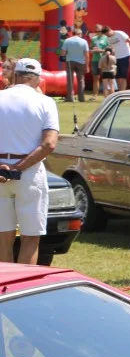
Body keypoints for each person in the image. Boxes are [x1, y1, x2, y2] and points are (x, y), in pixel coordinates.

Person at [0, 59, 59, 264]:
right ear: (37, 79)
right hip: (30, 174)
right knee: (30, 238)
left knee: (3, 240)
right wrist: (18, 168)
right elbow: (49, 144)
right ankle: (22, 291)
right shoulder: (45, 102)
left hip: (1, 172)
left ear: (15, 75)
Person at [105, 26, 130, 91]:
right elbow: (112, 48)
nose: (107, 36)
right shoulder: (108, 38)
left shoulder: (120, 33)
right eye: (106, 35)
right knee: (117, 77)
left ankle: (123, 92)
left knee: (123, 77)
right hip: (116, 58)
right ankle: (120, 92)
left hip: (124, 56)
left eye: (107, 34)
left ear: (110, 30)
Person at [61, 27, 89, 103]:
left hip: (70, 61)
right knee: (81, 80)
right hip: (81, 62)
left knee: (70, 80)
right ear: (80, 34)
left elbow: (63, 53)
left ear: (73, 33)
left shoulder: (67, 40)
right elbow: (86, 55)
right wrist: (87, 65)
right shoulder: (84, 41)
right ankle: (81, 98)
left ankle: (70, 97)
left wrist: (66, 54)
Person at [89, 24, 109, 99]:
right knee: (95, 78)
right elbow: (90, 47)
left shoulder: (106, 38)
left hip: (104, 60)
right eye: (96, 31)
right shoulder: (93, 38)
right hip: (95, 60)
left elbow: (110, 49)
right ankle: (95, 95)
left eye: (99, 31)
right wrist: (92, 50)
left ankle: (106, 95)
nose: (98, 32)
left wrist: (101, 50)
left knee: (105, 78)